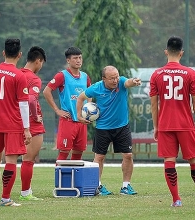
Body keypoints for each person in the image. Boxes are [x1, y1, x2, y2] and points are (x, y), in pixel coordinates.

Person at [77, 65, 141, 196]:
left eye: (116, 77)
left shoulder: (122, 82)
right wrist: (79, 116)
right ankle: (98, 186)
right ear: (103, 79)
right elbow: (80, 98)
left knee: (128, 155)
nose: (115, 80)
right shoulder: (96, 88)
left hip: (122, 127)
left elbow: (128, 82)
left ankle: (126, 186)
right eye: (112, 78)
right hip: (103, 128)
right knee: (99, 157)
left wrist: (133, 82)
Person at [0, 38, 32, 207]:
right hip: (12, 124)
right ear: (19, 55)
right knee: (11, 161)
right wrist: (26, 129)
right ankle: (5, 199)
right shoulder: (19, 75)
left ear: (3, 53)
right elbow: (24, 104)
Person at [150, 36, 195, 207]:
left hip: (165, 125)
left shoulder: (157, 74)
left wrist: (156, 126)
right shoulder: (191, 73)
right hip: (185, 124)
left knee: (169, 160)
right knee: (193, 160)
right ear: (181, 53)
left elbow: (154, 105)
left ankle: (176, 199)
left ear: (166, 52)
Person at [43, 47, 91, 161]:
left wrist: (89, 109)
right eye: (75, 58)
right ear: (68, 60)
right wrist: (57, 110)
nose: (78, 60)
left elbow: (89, 94)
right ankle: (59, 179)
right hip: (68, 120)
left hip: (81, 121)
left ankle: (74, 179)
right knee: (63, 154)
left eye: (80, 57)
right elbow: (46, 91)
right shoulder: (62, 75)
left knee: (78, 154)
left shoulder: (85, 76)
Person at [19, 46, 46, 201]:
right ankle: (25, 193)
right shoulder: (33, 78)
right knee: (28, 160)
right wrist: (35, 116)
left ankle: (2, 195)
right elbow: (30, 99)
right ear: (38, 61)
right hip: (30, 123)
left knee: (9, 160)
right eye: (41, 63)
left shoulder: (15, 74)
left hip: (13, 121)